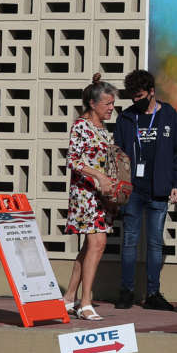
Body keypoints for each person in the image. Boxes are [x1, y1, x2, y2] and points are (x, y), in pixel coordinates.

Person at [112, 70, 177, 311]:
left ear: (152, 92)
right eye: (133, 97)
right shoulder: (126, 118)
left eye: (140, 96)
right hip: (133, 190)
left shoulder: (169, 115)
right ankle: (126, 291)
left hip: (159, 189)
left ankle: (153, 293)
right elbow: (116, 153)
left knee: (156, 242)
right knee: (130, 241)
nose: (136, 101)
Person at [62, 75, 120, 321]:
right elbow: (73, 160)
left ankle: (68, 298)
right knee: (98, 244)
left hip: (102, 195)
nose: (111, 108)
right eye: (107, 104)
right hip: (86, 194)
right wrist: (98, 176)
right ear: (93, 103)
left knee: (89, 247)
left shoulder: (103, 129)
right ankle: (85, 303)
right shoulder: (81, 126)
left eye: (112, 103)